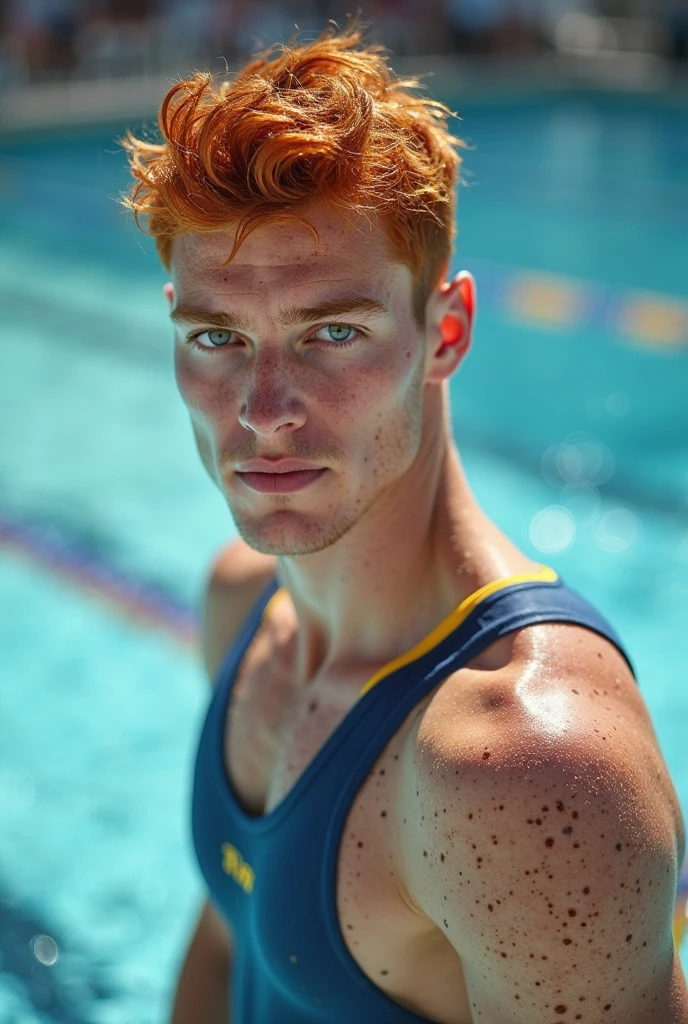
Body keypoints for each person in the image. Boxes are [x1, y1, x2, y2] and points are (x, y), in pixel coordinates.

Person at [120, 22, 688, 1024]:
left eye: (332, 333)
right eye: (216, 337)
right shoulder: (242, 606)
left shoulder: (524, 769)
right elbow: (222, 943)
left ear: (446, 330)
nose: (262, 409)